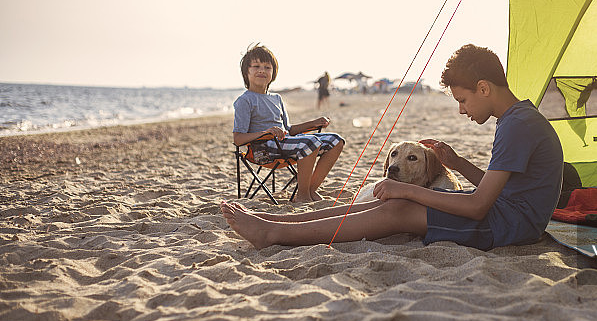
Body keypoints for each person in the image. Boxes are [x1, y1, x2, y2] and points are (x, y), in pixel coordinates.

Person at [222, 43, 563, 249]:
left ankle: (274, 234)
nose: (462, 110)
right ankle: (275, 222)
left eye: (462, 100)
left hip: (508, 227)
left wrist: (409, 191)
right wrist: (456, 163)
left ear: (484, 88)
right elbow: (495, 189)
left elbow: (477, 207)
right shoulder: (518, 118)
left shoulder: (517, 125)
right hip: (504, 213)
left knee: (396, 209)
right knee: (370, 206)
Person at [233, 44, 345, 203]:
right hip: (262, 150)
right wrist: (266, 133)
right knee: (311, 143)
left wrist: (314, 122)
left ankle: (310, 189)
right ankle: (303, 196)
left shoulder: (277, 99)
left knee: (336, 141)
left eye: (267, 67)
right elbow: (238, 139)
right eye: (256, 66)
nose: (262, 70)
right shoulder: (244, 101)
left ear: (273, 73)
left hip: (284, 144)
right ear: (246, 72)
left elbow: (289, 130)